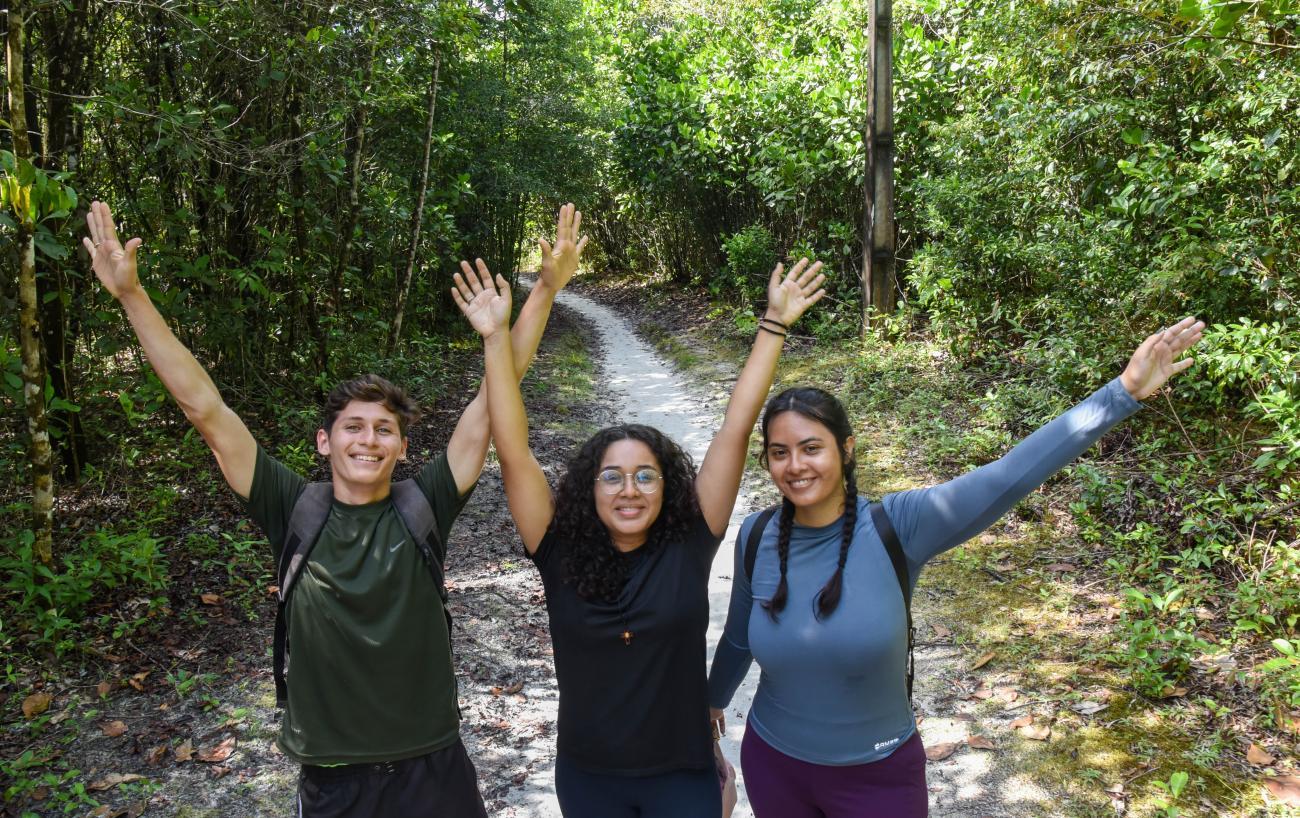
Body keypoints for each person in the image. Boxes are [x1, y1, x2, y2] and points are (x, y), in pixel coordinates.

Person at [83, 200, 587, 818]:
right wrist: (132, 295)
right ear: (325, 441)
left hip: (433, 765)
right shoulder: (292, 508)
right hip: (333, 779)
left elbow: (494, 398)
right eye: (353, 427)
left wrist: (543, 293)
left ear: (402, 448)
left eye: (384, 430)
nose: (368, 440)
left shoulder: (424, 503)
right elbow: (205, 409)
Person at [706, 317, 1206, 818]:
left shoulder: (899, 525)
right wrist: (710, 705)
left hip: (876, 775)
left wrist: (1122, 392)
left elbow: (1008, 475)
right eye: (780, 453)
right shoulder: (757, 535)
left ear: (847, 448)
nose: (795, 466)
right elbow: (740, 638)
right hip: (774, 766)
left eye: (811, 447)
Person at [452, 252, 826, 817]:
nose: (630, 490)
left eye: (646, 475)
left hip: (683, 775)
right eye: (613, 477)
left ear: (667, 485)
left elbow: (736, 426)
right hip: (588, 778)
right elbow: (512, 448)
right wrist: (495, 338)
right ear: (590, 488)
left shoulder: (690, 540)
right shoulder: (558, 549)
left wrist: (774, 323)